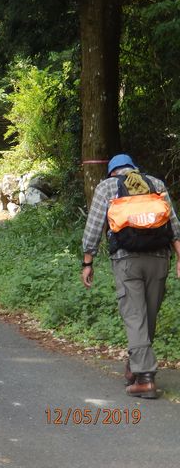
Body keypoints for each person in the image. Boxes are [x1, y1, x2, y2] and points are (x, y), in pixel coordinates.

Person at [81, 154, 180, 399]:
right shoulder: (155, 184)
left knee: (135, 316)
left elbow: (94, 226)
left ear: (112, 172)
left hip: (127, 261)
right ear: (133, 168)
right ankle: (135, 366)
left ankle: (145, 378)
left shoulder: (107, 187)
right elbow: (174, 224)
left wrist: (88, 261)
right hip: (159, 258)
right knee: (149, 314)